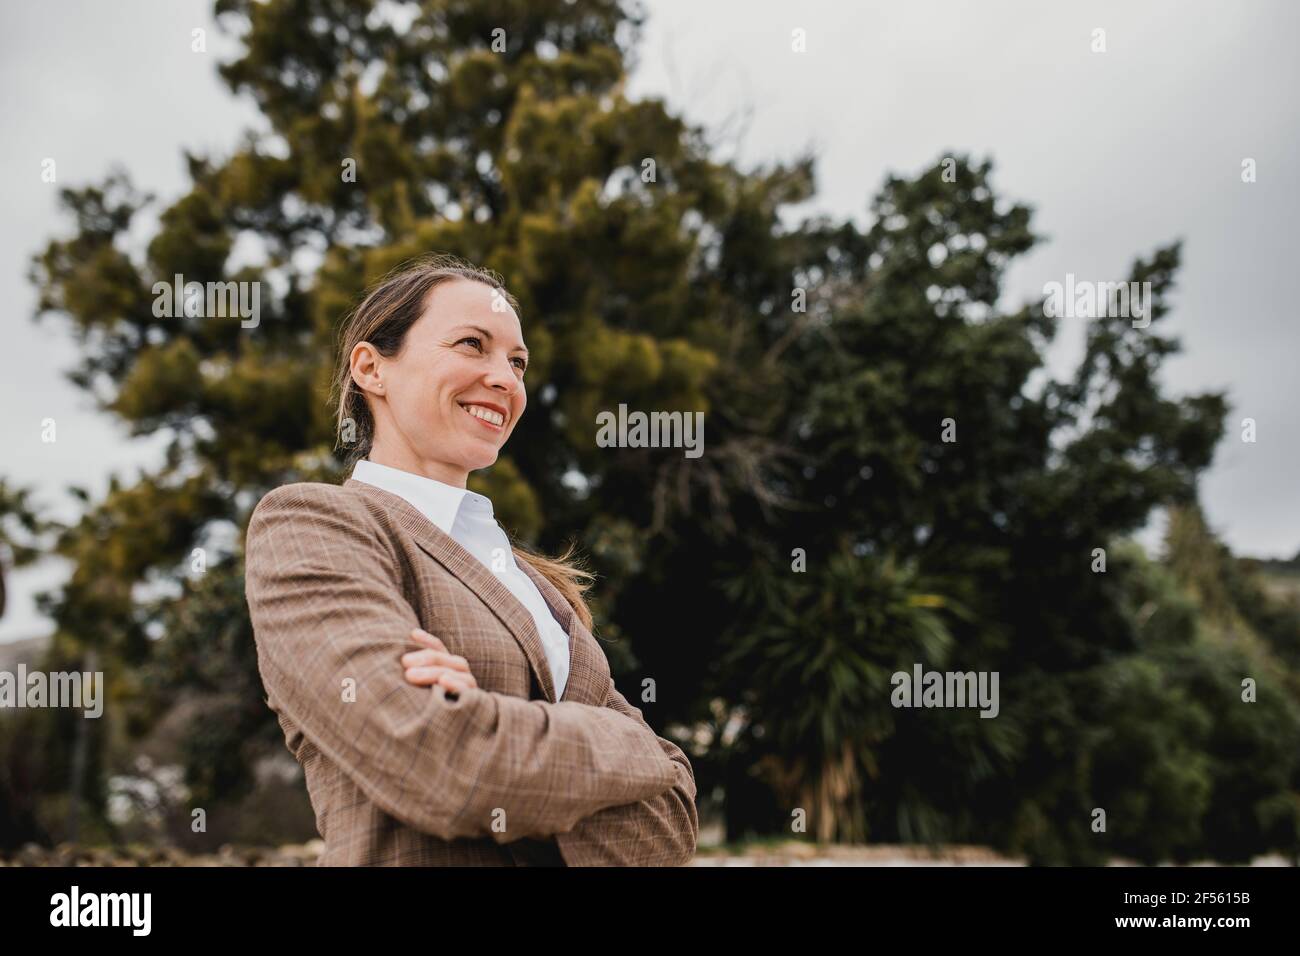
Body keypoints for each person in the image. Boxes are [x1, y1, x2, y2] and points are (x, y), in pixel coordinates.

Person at [243, 254, 698, 866]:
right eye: (471, 345)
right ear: (372, 367)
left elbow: (670, 825)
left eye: (516, 362)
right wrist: (639, 750)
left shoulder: (542, 589)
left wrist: (488, 717)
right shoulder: (314, 524)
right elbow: (438, 762)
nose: (505, 379)